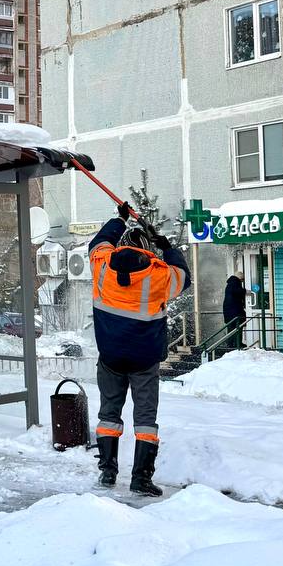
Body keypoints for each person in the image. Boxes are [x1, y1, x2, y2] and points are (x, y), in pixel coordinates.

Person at [89, 203, 190, 496]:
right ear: (148, 250)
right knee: (145, 420)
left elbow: (99, 242)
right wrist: (168, 247)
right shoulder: (158, 276)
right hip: (144, 361)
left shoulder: (103, 267)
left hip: (110, 357)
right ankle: (141, 479)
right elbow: (184, 276)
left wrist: (119, 218)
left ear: (120, 246)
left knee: (109, 414)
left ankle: (108, 473)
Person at [221, 271, 247, 356]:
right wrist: (246, 291)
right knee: (238, 326)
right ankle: (236, 344)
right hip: (235, 310)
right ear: (240, 278)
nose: (242, 281)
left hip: (229, 310)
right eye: (242, 279)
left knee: (231, 327)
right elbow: (237, 292)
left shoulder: (231, 283)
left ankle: (232, 343)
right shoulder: (235, 283)